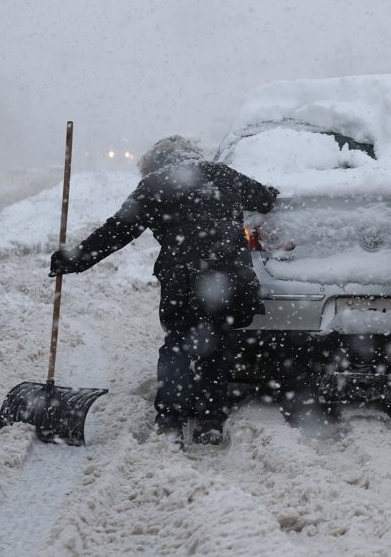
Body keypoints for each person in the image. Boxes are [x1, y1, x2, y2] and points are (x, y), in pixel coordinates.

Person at [49, 135, 278, 447]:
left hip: (184, 281)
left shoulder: (156, 184)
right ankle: (210, 421)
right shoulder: (226, 175)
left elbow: (118, 231)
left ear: (154, 164)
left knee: (178, 348)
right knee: (214, 345)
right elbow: (265, 199)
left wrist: (75, 259)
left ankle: (170, 422)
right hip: (230, 280)